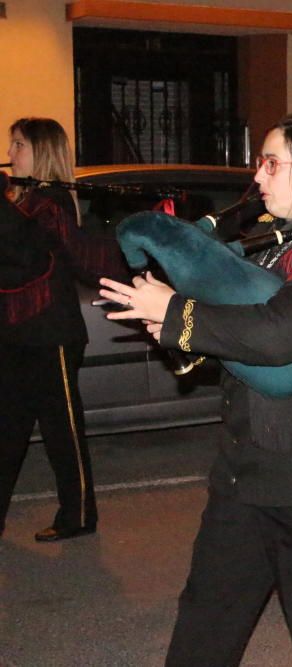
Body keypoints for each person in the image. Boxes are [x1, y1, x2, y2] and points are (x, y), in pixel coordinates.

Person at [98, 114, 292, 665]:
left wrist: (180, 311)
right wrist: (171, 327)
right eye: (260, 164)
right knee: (208, 613)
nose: (260, 178)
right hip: (244, 468)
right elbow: (236, 339)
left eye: (272, 164)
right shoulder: (272, 242)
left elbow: (283, 336)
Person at [0, 118, 124, 542]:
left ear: (41, 152)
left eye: (18, 144)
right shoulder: (20, 200)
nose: (11, 152)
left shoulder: (50, 203)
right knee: (8, 429)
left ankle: (78, 514)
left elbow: (21, 255)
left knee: (62, 431)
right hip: (15, 332)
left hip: (51, 333)